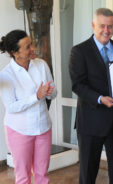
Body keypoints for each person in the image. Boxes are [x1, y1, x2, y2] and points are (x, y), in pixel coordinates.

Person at [69, 8, 113, 184]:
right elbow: (78, 85)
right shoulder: (79, 51)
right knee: (88, 171)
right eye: (102, 26)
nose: (106, 30)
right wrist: (100, 99)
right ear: (93, 25)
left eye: (110, 26)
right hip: (90, 120)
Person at [0, 30, 57, 184]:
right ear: (15, 53)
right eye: (27, 47)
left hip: (43, 127)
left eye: (31, 44)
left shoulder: (41, 65)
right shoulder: (6, 74)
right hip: (19, 131)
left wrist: (50, 92)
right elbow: (11, 107)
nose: (33, 48)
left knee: (42, 175)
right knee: (23, 177)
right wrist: (36, 96)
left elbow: (53, 93)